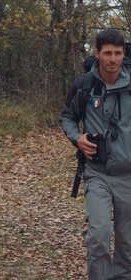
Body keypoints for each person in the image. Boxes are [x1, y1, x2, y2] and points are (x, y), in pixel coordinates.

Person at [60, 28, 131, 279]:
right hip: (97, 173)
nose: (113, 59)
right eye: (108, 53)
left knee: (128, 245)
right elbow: (68, 117)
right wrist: (77, 138)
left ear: (124, 54)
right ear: (97, 54)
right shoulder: (84, 84)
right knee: (99, 235)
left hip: (129, 175)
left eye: (118, 53)